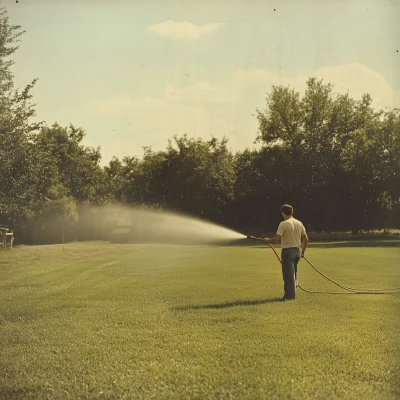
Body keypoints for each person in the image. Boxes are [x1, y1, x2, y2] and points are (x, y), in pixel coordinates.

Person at [263, 204, 308, 301]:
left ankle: (290, 297)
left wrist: (268, 240)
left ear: (283, 213)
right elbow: (306, 239)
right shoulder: (299, 223)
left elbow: (276, 240)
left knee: (289, 276)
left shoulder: (283, 224)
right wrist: (302, 252)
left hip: (288, 252)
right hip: (297, 252)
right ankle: (288, 294)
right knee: (292, 274)